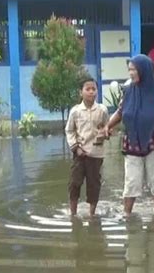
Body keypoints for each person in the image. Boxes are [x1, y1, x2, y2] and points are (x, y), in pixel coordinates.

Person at [104, 54, 154, 215]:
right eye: (129, 70)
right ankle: (127, 216)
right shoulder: (129, 91)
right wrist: (108, 125)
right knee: (131, 182)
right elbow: (121, 111)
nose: (131, 73)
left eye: (134, 70)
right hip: (132, 143)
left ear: (144, 70)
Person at [65, 78, 109, 216]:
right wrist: (75, 147)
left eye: (94, 89)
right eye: (87, 89)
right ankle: (73, 213)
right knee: (74, 183)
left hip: (96, 154)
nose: (91, 92)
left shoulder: (102, 110)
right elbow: (69, 130)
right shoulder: (76, 111)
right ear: (81, 92)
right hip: (80, 153)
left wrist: (106, 133)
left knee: (94, 185)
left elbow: (107, 127)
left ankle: (92, 214)